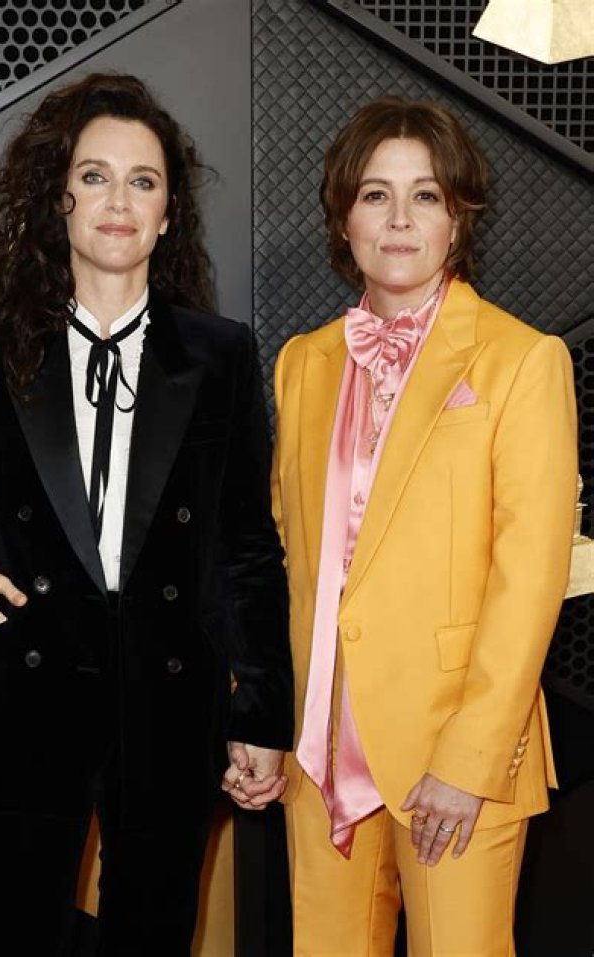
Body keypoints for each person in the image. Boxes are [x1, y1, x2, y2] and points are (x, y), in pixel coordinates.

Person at [0, 71, 293, 957]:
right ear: (58, 195)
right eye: (95, 175)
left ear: (169, 212)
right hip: (23, 696)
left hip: (171, 706)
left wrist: (263, 714)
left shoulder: (218, 353)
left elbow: (247, 546)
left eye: (143, 181)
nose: (119, 201)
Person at [271, 95, 578, 956]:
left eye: (426, 195)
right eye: (376, 194)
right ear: (344, 218)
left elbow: (530, 581)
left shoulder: (523, 359)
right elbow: (285, 554)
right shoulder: (302, 363)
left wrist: (470, 759)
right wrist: (261, 717)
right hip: (317, 751)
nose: (400, 219)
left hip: (455, 755)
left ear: (458, 218)